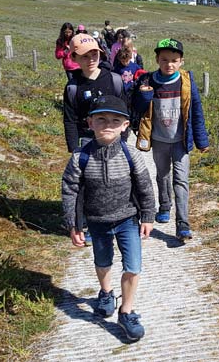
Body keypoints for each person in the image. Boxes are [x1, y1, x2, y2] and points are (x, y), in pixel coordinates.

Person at [61, 94, 155, 342]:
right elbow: (69, 190)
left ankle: (126, 312)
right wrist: (74, 224)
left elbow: (145, 186)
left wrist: (147, 216)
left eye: (115, 120)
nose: (108, 125)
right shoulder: (80, 157)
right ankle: (105, 292)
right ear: (89, 123)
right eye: (101, 119)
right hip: (96, 222)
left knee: (133, 267)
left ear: (125, 126)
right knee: (102, 262)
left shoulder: (130, 155)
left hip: (127, 220)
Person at [133, 38, 209, 240]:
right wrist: (143, 96)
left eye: (174, 60)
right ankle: (165, 206)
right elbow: (138, 109)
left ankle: (183, 224)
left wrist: (202, 141)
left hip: (181, 142)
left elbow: (196, 111)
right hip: (159, 140)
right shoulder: (148, 81)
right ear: (157, 59)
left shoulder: (186, 82)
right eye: (165, 59)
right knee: (162, 175)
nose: (169, 64)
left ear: (181, 61)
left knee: (181, 181)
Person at [63, 33, 126, 153]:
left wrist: (123, 140)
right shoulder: (73, 87)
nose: (91, 60)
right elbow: (70, 120)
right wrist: (74, 150)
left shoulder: (114, 80)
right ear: (74, 58)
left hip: (113, 137)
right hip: (86, 141)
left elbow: (124, 110)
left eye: (94, 54)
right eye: (85, 56)